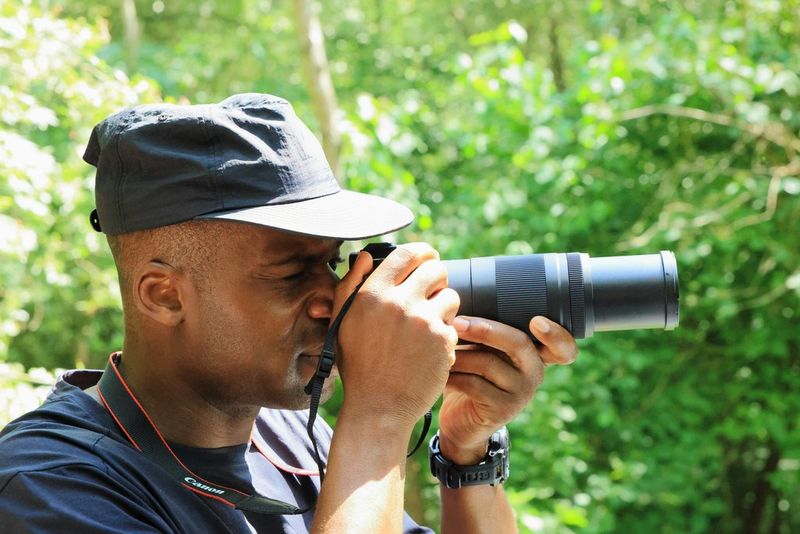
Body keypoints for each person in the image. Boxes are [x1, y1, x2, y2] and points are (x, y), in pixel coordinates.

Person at [0, 93, 578, 532]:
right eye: (289, 274)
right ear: (163, 295)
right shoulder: (49, 485)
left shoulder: (287, 438)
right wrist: (379, 415)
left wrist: (465, 450)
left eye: (330, 265)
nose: (332, 297)